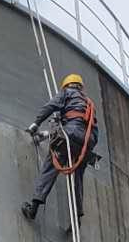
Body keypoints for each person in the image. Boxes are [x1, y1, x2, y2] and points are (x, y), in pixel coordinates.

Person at [21, 72, 98, 224]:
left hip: (70, 134)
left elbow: (50, 106)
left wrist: (36, 123)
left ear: (67, 85)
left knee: (51, 165)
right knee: (78, 178)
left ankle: (33, 208)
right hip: (87, 143)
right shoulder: (89, 103)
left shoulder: (66, 93)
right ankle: (76, 218)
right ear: (80, 87)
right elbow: (94, 130)